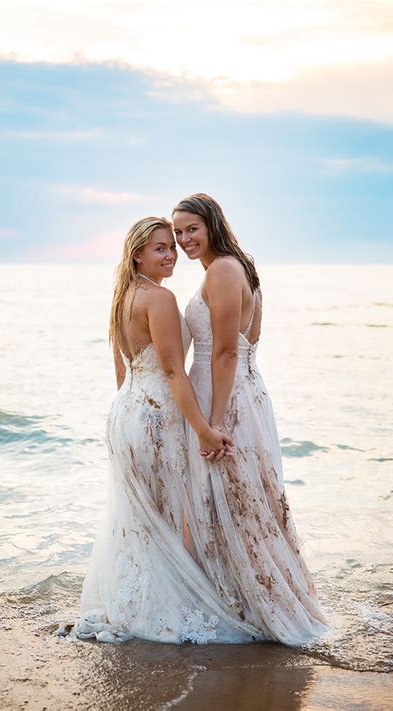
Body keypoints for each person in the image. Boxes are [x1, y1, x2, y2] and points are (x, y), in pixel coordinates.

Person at [70, 216, 267, 644]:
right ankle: (157, 611)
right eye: (161, 247)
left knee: (143, 518)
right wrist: (203, 429)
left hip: (127, 413)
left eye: (172, 246)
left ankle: (130, 601)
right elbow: (175, 372)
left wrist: (134, 416)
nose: (171, 253)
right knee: (165, 514)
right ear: (138, 253)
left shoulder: (124, 295)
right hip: (156, 417)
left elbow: (122, 370)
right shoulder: (159, 298)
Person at [172, 194, 328, 645]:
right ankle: (244, 600)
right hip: (241, 390)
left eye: (191, 230)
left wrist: (212, 424)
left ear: (212, 225)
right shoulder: (234, 266)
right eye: (178, 232)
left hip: (227, 397)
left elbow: (224, 351)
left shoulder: (223, 270)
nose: (184, 240)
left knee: (229, 501)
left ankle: (250, 609)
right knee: (238, 504)